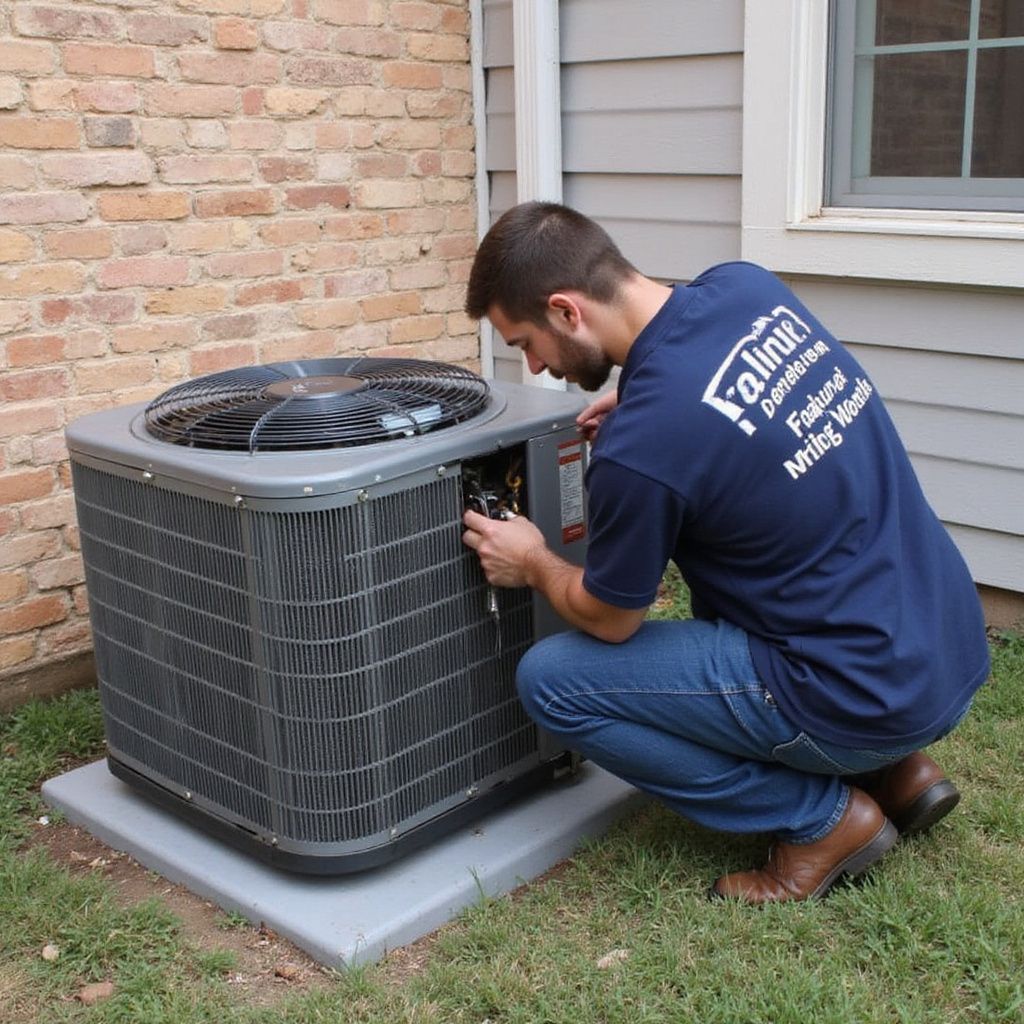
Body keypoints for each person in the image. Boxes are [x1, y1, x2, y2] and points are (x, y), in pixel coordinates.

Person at [461, 201, 990, 904]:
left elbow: (612, 618)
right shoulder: (748, 289)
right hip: (944, 642)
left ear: (566, 311)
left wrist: (531, 561)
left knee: (553, 682)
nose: (533, 365)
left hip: (863, 694)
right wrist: (646, 397)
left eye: (524, 340)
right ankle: (898, 773)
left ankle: (824, 821)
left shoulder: (644, 448)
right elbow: (716, 399)